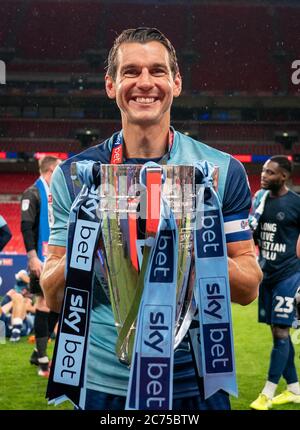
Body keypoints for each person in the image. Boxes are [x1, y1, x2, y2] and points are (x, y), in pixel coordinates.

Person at [40, 27, 262, 410]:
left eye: (158, 71)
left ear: (176, 82)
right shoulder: (77, 176)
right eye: (131, 72)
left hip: (194, 383)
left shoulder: (219, 172)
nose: (145, 82)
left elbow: (248, 288)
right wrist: (87, 242)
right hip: (103, 383)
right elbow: (53, 294)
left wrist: (195, 247)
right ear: (110, 85)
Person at [249, 156, 300, 410]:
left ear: (284, 177)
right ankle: (294, 389)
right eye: (263, 171)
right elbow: (254, 236)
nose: (264, 175)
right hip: (266, 275)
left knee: (281, 332)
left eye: (270, 172)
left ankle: (267, 394)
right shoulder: (260, 201)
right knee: (277, 332)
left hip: (289, 276)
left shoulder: (296, 205)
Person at [21, 155, 61, 377]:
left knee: (55, 303)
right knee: (44, 302)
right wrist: (32, 257)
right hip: (40, 256)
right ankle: (43, 361)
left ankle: (39, 351)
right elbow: (26, 226)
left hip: (53, 256)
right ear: (50, 170)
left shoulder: (52, 194)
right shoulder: (33, 193)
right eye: (58, 170)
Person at [0, 269, 35, 342]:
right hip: (8, 324)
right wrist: (14, 301)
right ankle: (15, 331)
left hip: (24, 325)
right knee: (17, 296)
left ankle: (16, 331)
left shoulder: (32, 300)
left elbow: (36, 310)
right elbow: (21, 275)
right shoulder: (14, 295)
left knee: (19, 298)